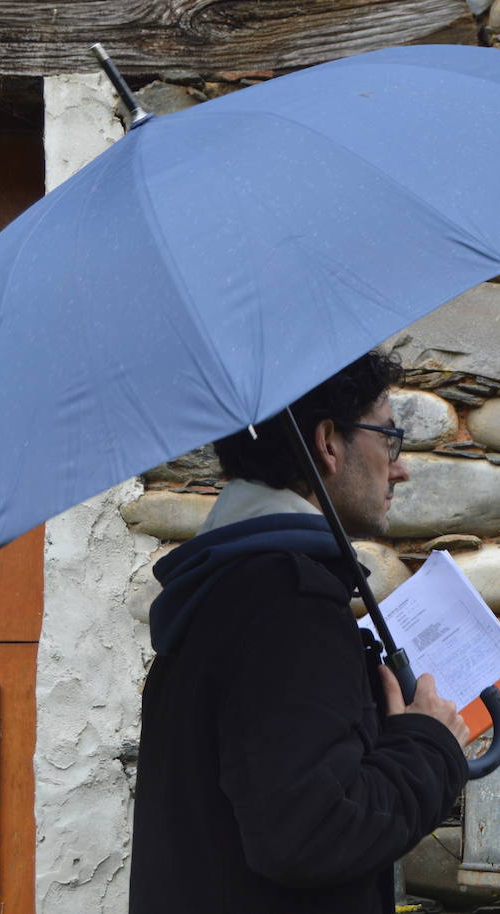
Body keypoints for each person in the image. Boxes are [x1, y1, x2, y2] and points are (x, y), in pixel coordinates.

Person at [129, 351, 470, 914]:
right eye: (388, 438)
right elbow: (311, 832)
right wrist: (429, 747)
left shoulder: (232, 587)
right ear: (328, 443)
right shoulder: (286, 602)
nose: (401, 467)